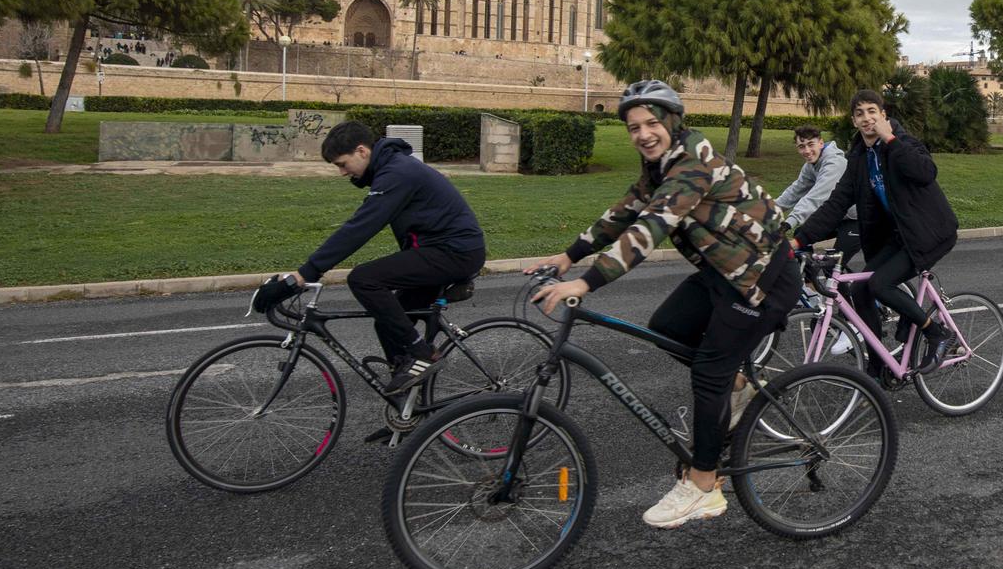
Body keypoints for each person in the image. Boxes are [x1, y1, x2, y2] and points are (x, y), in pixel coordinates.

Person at [529, 80, 801, 530]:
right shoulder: (659, 165)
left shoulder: (691, 163)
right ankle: (741, 387)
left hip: (763, 281)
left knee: (707, 373)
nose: (642, 134)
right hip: (726, 273)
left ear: (672, 122)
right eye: (634, 126)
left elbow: (649, 229)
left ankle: (703, 486)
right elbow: (625, 212)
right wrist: (567, 256)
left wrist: (586, 282)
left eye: (652, 123)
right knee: (669, 327)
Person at [263, 121, 488, 396]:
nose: (342, 173)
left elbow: (361, 227)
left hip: (455, 252)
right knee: (389, 320)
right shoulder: (390, 168)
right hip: (440, 251)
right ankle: (407, 407)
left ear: (362, 151)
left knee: (363, 278)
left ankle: (422, 353)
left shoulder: (398, 172)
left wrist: (306, 273)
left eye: (342, 164)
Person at [791, 88, 961, 377]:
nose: (866, 118)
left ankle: (938, 333)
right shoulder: (858, 158)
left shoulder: (903, 142)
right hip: (899, 236)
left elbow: (925, 172)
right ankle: (878, 366)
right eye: (860, 114)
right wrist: (798, 239)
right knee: (860, 289)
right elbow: (836, 204)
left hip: (930, 232)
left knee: (881, 284)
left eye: (872, 111)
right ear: (854, 121)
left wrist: (890, 139)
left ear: (883, 115)